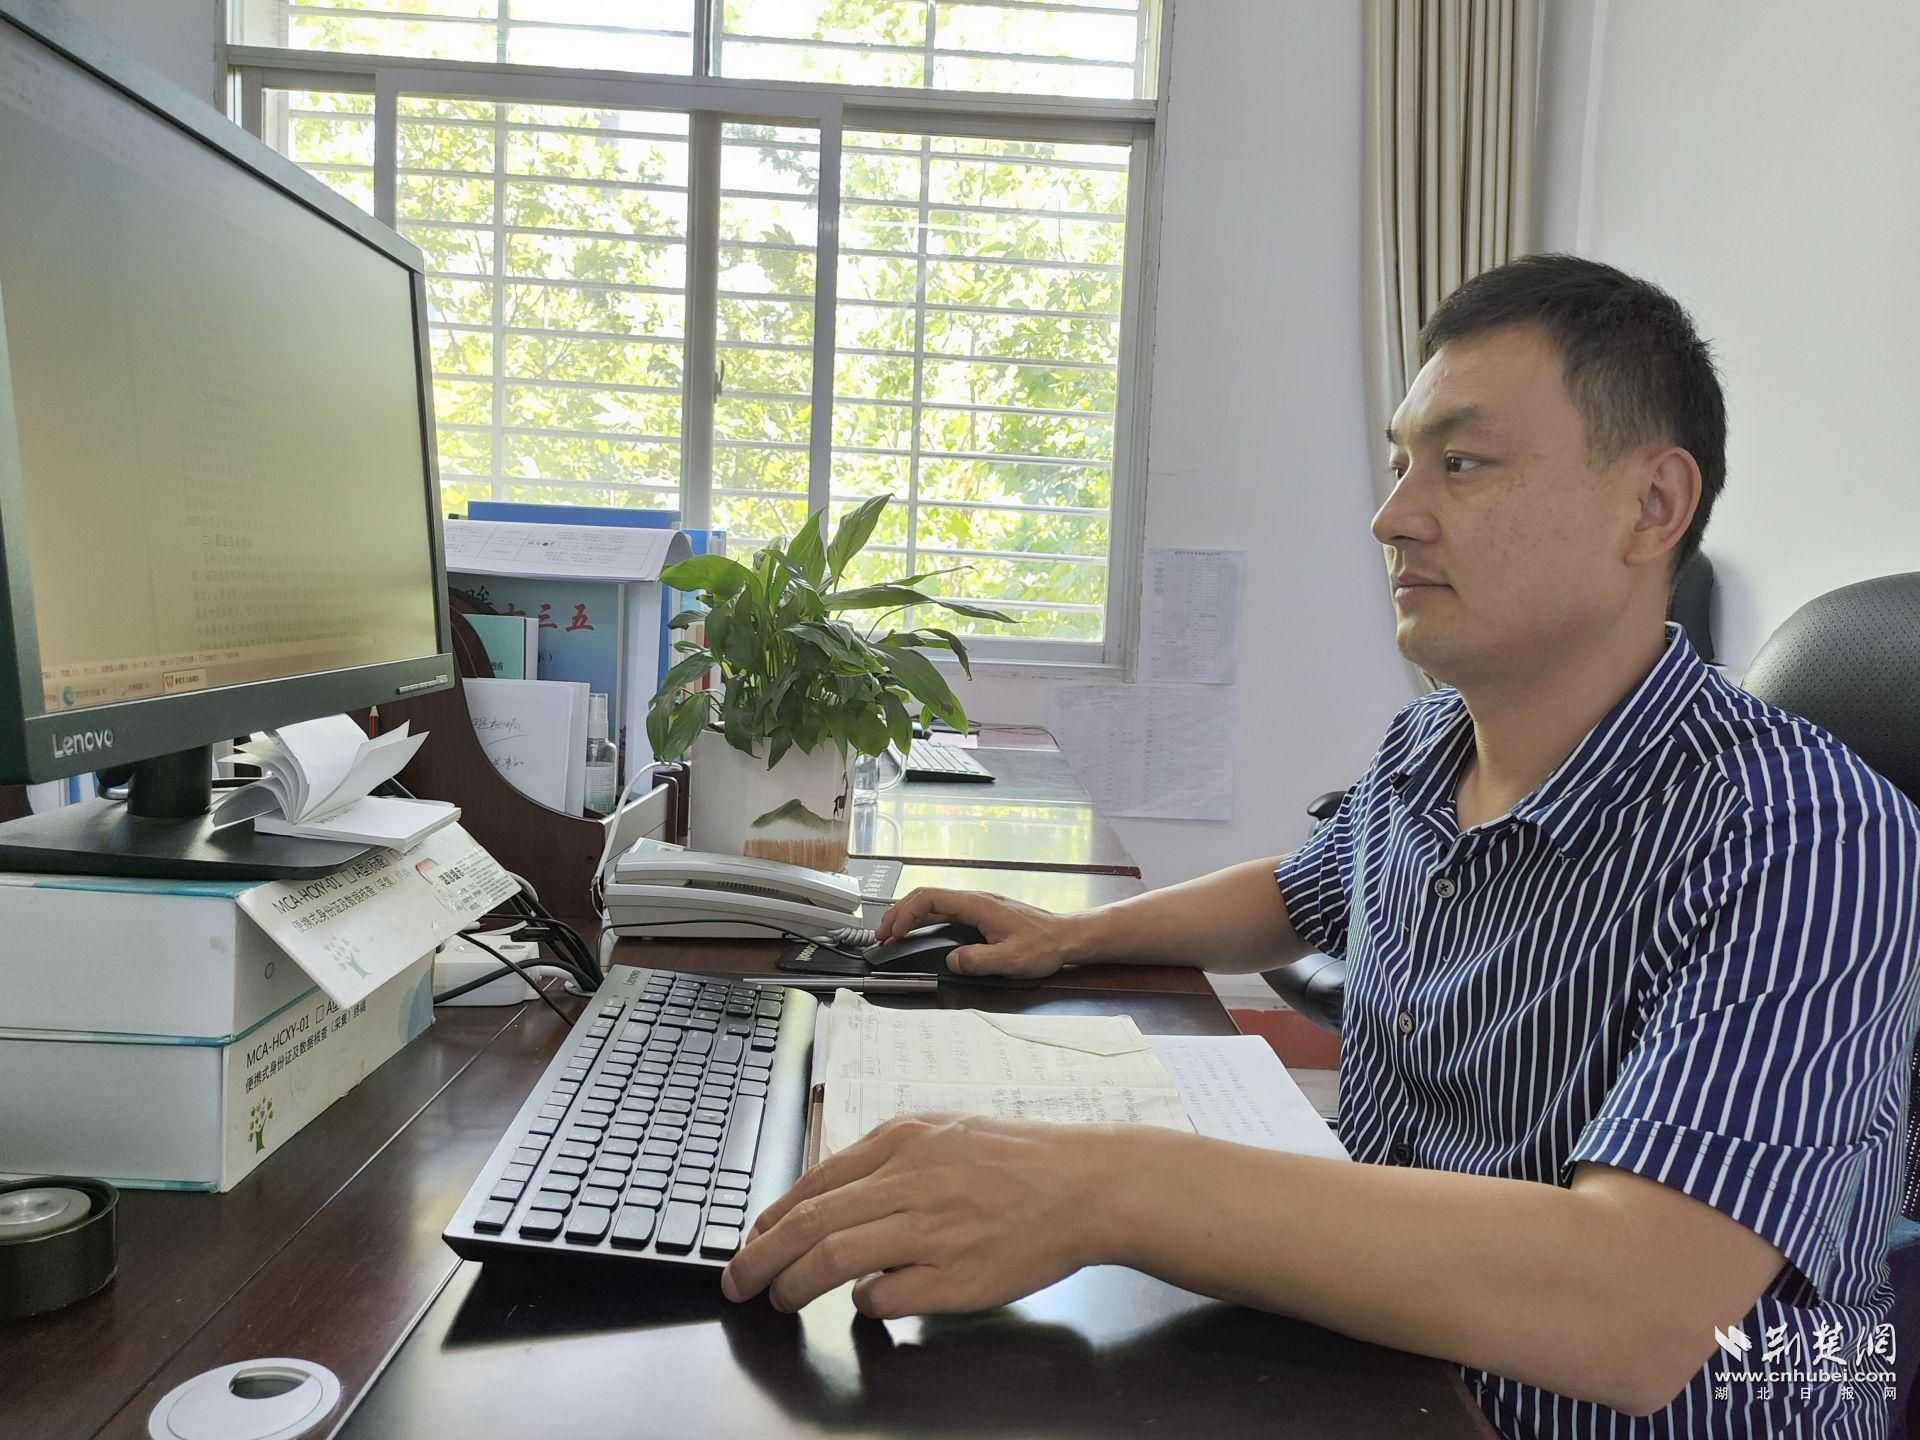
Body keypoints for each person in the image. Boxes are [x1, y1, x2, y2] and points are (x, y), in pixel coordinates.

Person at [720, 255, 1920, 1439]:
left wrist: (1101, 1187)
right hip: (1375, 1358)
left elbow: (1638, 1312)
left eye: (1462, 464)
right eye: (1402, 465)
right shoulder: (1431, 744)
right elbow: (1300, 893)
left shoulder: (1806, 838)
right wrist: (1071, 937)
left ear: (1652, 505)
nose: (1393, 518)